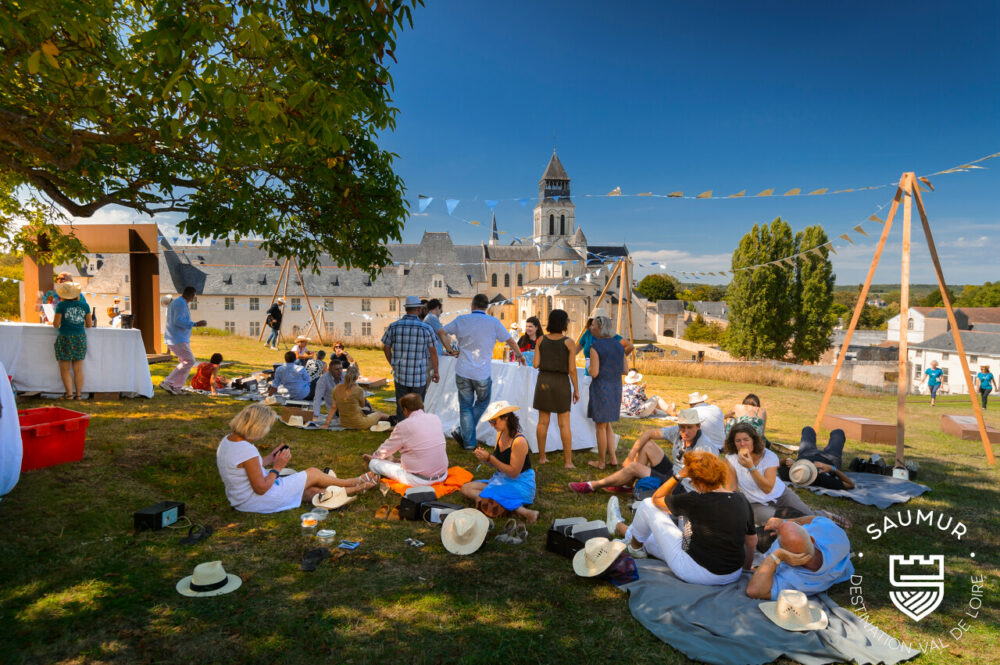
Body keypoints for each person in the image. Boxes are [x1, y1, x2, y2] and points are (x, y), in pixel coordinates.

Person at [606, 451, 757, 585]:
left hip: (700, 572)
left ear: (699, 483)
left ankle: (632, 543)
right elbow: (751, 542)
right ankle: (624, 531)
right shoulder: (741, 499)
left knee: (646, 506)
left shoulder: (694, 500)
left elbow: (656, 499)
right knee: (667, 531)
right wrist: (745, 569)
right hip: (734, 573)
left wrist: (679, 475)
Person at [216, 403, 375, 513]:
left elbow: (247, 467)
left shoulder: (228, 440)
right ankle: (353, 482)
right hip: (258, 499)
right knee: (312, 473)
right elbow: (261, 488)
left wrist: (271, 458)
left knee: (311, 492)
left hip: (241, 500)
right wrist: (278, 467)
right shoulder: (246, 450)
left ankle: (356, 489)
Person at [443, 293, 524, 450]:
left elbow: (442, 331)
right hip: (482, 372)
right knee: (482, 402)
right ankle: (466, 436)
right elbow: (510, 340)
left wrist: (449, 349)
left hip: (463, 370)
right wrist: (519, 355)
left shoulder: (461, 320)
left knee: (466, 406)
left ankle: (468, 439)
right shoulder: (493, 322)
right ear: (487, 307)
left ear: (472, 305)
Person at [569, 409, 710, 494]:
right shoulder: (677, 431)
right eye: (682, 427)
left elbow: (704, 483)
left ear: (698, 426)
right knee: (647, 445)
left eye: (689, 428)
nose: (684, 432)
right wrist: (630, 456)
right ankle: (627, 484)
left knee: (635, 467)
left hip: (681, 486)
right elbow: (647, 434)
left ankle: (593, 485)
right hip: (673, 472)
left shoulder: (705, 448)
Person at [723, 423, 818, 525]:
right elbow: (731, 489)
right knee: (782, 523)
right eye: (738, 441)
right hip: (755, 503)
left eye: (746, 439)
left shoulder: (769, 457)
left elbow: (767, 489)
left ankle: (825, 515)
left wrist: (751, 467)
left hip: (781, 495)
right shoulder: (731, 458)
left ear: (754, 440)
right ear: (733, 443)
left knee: (809, 518)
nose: (742, 444)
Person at [462, 402, 538, 524]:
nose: (492, 425)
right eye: (490, 422)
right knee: (466, 488)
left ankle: (524, 512)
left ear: (505, 417)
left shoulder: (519, 441)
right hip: (502, 479)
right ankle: (488, 500)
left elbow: (513, 473)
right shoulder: (500, 434)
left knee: (490, 493)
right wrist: (485, 459)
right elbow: (499, 464)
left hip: (520, 482)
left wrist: (490, 458)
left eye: (494, 421)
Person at [746, 515, 854, 600]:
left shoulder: (796, 580)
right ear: (812, 539)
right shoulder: (832, 532)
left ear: (787, 558)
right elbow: (816, 519)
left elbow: (754, 591)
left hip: (766, 544)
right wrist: (784, 521)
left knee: (745, 537)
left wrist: (774, 556)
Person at [364, 393, 449, 486]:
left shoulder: (403, 426)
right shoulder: (435, 418)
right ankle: (392, 461)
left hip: (420, 480)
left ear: (405, 410)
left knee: (374, 464)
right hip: (442, 475)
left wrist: (375, 457)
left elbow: (386, 448)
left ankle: (383, 461)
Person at [533, 309, 580, 468]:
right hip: (561, 382)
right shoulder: (569, 342)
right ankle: (568, 462)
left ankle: (541, 457)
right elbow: (572, 370)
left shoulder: (540, 340)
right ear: (563, 323)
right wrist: (576, 389)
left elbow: (535, 364)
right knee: (564, 424)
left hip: (544, 381)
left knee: (542, 422)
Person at [382, 296, 440, 419]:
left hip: (400, 374)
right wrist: (436, 371)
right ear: (419, 309)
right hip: (418, 376)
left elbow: (385, 347)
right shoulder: (426, 328)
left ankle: (402, 432)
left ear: (406, 309)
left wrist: (392, 362)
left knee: (402, 406)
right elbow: (433, 352)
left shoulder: (394, 326)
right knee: (418, 408)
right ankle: (416, 432)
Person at [587, 315, 626, 469]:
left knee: (600, 427)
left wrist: (589, 368)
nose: (591, 327)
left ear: (601, 327)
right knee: (607, 424)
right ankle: (614, 458)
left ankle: (602, 462)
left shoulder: (595, 347)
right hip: (615, 387)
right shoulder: (619, 346)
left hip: (601, 388)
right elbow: (625, 370)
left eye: (594, 325)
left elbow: (594, 372)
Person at [161, 286, 208, 395]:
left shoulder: (178, 302)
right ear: (192, 296)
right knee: (190, 361)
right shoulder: (180, 303)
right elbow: (178, 321)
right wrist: (195, 324)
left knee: (185, 362)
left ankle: (176, 387)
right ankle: (167, 382)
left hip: (179, 338)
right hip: (177, 338)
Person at [51, 281, 92, 400]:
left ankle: (69, 394)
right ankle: (78, 395)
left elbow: (56, 324)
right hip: (79, 338)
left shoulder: (61, 305)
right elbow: (89, 325)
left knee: (65, 368)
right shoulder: (85, 305)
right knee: (78, 369)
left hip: (65, 337)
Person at [334, 365, 391, 430]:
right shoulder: (358, 389)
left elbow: (333, 407)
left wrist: (327, 424)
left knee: (371, 413)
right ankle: (396, 420)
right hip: (358, 423)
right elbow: (362, 405)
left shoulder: (337, 388)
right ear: (357, 377)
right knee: (379, 414)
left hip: (344, 422)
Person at [314, 359, 344, 423]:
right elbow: (317, 398)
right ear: (330, 370)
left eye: (341, 368)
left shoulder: (345, 376)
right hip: (335, 409)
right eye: (336, 369)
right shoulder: (323, 379)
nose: (340, 371)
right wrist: (316, 415)